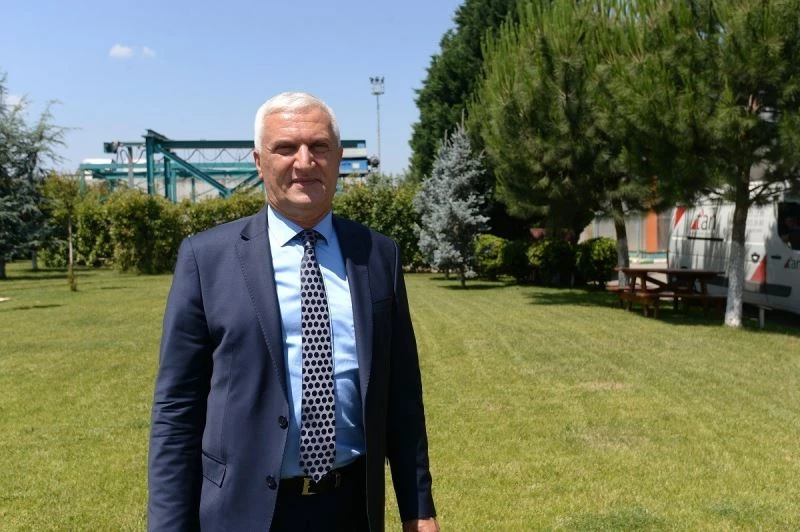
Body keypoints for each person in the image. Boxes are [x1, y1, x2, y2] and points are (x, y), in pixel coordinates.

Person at [148, 92, 438, 531]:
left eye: (319, 146)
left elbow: (402, 397)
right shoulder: (205, 259)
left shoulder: (377, 254)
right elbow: (176, 409)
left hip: (351, 509)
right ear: (259, 160)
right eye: (285, 147)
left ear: (338, 158)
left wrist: (419, 510)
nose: (304, 161)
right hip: (241, 512)